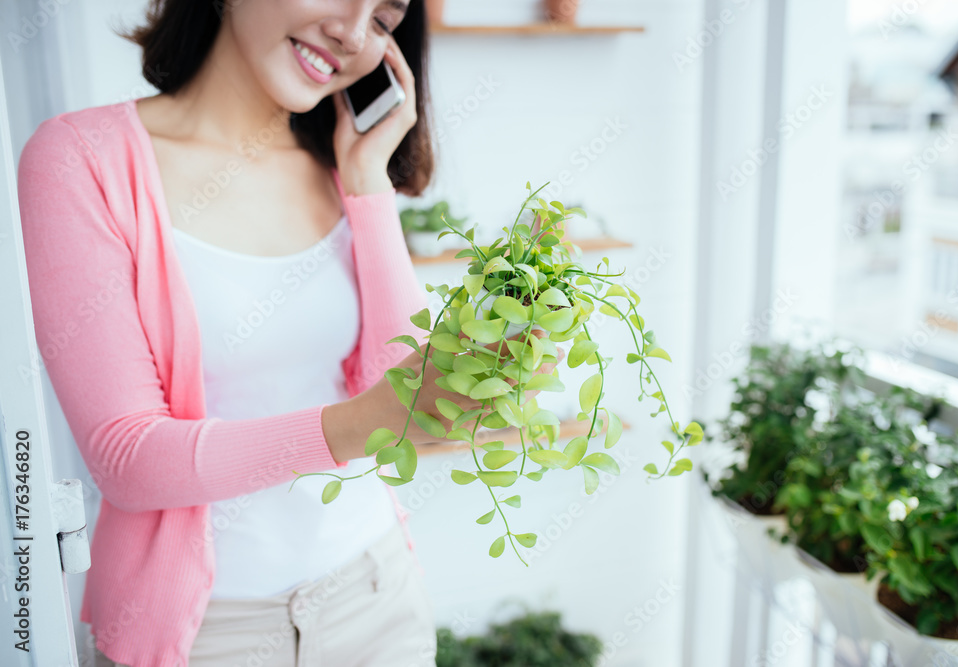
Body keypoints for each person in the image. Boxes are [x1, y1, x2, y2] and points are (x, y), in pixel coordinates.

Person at [16, 0, 560, 665]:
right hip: (207, 635)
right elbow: (127, 457)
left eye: (385, 21)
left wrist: (367, 181)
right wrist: (363, 421)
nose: (353, 33)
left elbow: (396, 379)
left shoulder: (341, 164)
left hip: (376, 593)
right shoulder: (80, 160)